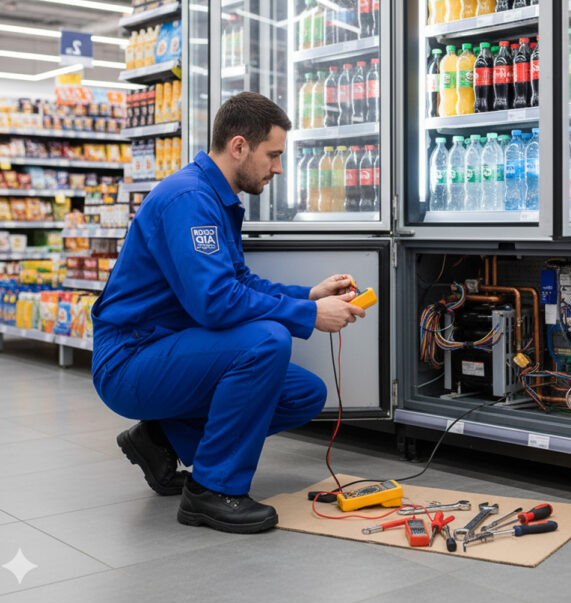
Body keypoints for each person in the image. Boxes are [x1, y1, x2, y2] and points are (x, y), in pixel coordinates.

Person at [91, 92, 365, 534]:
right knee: (267, 341)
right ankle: (211, 491)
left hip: (169, 348)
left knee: (303, 393)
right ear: (239, 146)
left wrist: (308, 296)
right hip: (129, 359)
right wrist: (308, 316)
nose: (277, 167)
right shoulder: (190, 200)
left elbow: (239, 282)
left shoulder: (214, 198)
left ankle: (159, 438)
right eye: (272, 155)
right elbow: (216, 303)